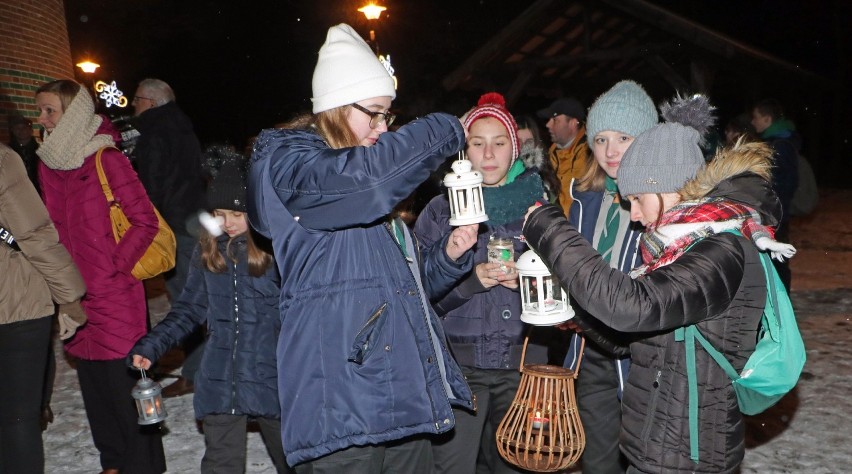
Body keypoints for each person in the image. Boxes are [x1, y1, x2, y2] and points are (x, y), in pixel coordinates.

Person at [247, 24, 478, 472]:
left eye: (388, 115)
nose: (382, 127)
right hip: (343, 398)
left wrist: (447, 259)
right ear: (333, 106)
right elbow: (368, 179)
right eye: (373, 113)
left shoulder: (362, 185)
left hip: (398, 392)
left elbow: (395, 290)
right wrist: (449, 126)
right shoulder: (296, 164)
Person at [523, 95, 795, 473]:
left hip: (691, 456)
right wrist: (581, 319)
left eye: (636, 199)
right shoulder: (678, 246)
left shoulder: (721, 249)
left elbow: (634, 306)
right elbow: (638, 337)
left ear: (666, 186)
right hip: (657, 445)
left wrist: (547, 225)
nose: (633, 215)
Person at [129, 149, 292, 474]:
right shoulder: (210, 253)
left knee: (292, 460)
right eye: (219, 213)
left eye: (237, 214)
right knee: (221, 464)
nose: (227, 223)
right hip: (221, 374)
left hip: (271, 375)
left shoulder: (277, 253)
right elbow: (189, 309)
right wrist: (153, 345)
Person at [35, 79, 166, 474]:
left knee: (125, 387)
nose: (41, 119)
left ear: (72, 113)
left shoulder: (106, 158)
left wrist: (113, 267)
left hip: (115, 295)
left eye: (49, 110)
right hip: (75, 295)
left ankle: (144, 466)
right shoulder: (49, 163)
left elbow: (144, 222)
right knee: (93, 388)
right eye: (40, 111)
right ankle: (112, 462)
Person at [415, 92, 549, 473]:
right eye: (478, 143)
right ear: (464, 151)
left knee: (517, 464)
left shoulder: (538, 208)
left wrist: (528, 284)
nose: (488, 155)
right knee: (453, 465)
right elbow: (418, 295)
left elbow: (566, 291)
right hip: (459, 367)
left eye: (499, 143)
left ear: (515, 149)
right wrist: (470, 281)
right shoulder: (440, 211)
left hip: (524, 363)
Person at [560, 80, 659, 474]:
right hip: (590, 351)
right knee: (599, 462)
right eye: (600, 139)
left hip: (641, 357)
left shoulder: (663, 198)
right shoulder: (585, 197)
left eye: (623, 137)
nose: (610, 150)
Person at [0, 142, 86, 473]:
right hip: (16, 305)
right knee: (18, 418)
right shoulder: (3, 160)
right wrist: (70, 297)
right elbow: (33, 233)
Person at [131, 77, 208, 396]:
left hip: (175, 227)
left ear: (150, 102)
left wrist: (147, 228)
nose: (133, 105)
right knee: (199, 293)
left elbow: (151, 186)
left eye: (135, 100)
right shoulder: (184, 127)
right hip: (195, 220)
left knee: (186, 301)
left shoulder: (152, 132)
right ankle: (201, 367)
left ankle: (195, 373)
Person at [751, 98, 799, 292]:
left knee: (777, 259)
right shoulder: (778, 142)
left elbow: (782, 183)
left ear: (767, 118)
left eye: (756, 117)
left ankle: (781, 303)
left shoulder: (779, 145)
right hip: (774, 210)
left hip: (774, 212)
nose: (753, 122)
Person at [536, 97, 590, 215]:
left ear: (572, 123)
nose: (548, 124)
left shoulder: (591, 155)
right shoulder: (549, 155)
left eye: (555, 120)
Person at [516, 114, 560, 203]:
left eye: (529, 142)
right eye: (518, 141)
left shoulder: (546, 175)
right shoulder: (502, 173)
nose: (524, 146)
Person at [8, 115, 40, 194]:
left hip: (38, 190)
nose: (21, 131)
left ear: (30, 130)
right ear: (13, 130)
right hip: (17, 192)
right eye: (17, 128)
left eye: (24, 128)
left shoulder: (40, 151)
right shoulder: (8, 152)